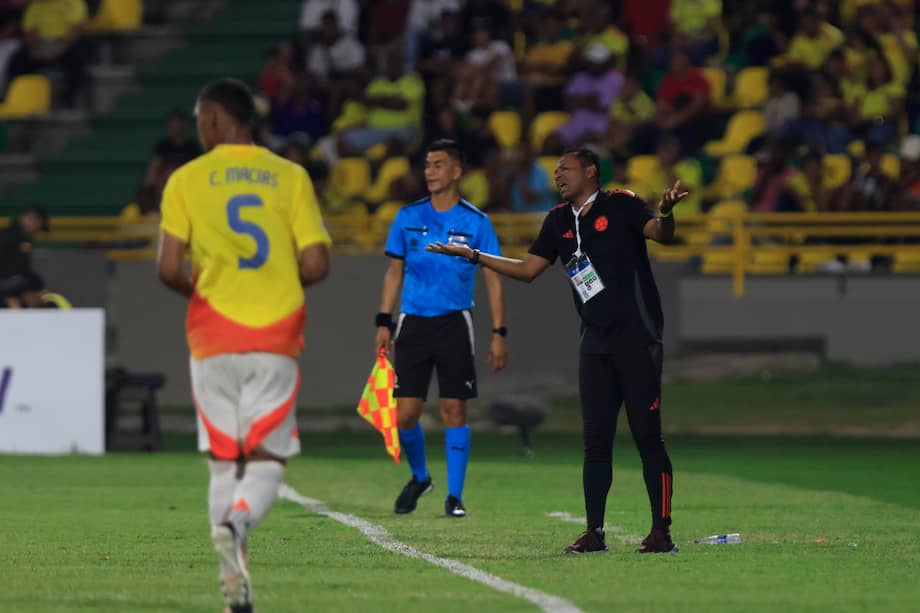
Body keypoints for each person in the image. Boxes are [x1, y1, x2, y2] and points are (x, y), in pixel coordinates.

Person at [427, 148, 687, 554]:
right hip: (595, 344)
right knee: (595, 442)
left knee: (647, 439)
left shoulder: (621, 204)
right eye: (554, 170)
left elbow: (660, 233)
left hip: (638, 340)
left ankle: (661, 532)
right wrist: (475, 257)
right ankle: (595, 533)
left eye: (564, 169)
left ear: (590, 171)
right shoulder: (558, 221)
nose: (557, 175)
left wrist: (667, 212)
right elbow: (529, 270)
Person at [156, 78, 331, 613]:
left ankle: (233, 585)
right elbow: (317, 264)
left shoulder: (185, 179)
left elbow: (167, 267)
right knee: (267, 457)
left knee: (221, 462)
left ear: (213, 119)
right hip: (275, 333)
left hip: (212, 335)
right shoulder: (291, 176)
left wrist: (204, 289)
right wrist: (274, 282)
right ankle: (238, 524)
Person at [375, 138, 508, 519]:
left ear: (456, 171)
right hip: (413, 322)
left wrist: (500, 332)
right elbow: (394, 271)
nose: (429, 172)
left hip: (454, 322)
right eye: (427, 165)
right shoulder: (407, 217)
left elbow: (494, 279)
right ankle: (420, 477)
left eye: (437, 165)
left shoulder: (477, 222)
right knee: (405, 415)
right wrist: (384, 321)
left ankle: (454, 496)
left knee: (453, 409)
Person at [0, 204, 48, 308]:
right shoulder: (6, 237)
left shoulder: (24, 242)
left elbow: (23, 273)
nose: (36, 232)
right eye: (38, 226)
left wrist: (38, 289)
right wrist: (4, 298)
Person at [144, 109, 202, 192]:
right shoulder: (163, 146)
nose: (174, 126)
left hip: (186, 184)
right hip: (166, 186)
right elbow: (153, 168)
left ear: (183, 124)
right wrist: (147, 188)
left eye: (176, 122)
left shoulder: (192, 147)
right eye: (171, 123)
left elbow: (197, 170)